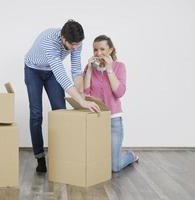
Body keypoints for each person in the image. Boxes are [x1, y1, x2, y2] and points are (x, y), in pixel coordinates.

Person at [24, 20, 100, 173]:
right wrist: (81, 102)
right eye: (72, 44)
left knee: (60, 111)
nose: (75, 47)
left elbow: (76, 71)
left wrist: (80, 97)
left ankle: (62, 156)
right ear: (63, 38)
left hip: (51, 72)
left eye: (77, 44)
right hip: (33, 70)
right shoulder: (49, 40)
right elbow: (61, 75)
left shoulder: (77, 43)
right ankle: (40, 158)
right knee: (36, 114)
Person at [83, 35, 139, 172]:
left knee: (114, 167)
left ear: (111, 50)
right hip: (95, 119)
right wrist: (89, 70)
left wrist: (109, 69)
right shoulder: (90, 68)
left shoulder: (119, 67)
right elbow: (86, 94)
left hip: (114, 120)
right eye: (95, 50)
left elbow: (119, 92)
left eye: (102, 49)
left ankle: (130, 155)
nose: (98, 53)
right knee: (95, 162)